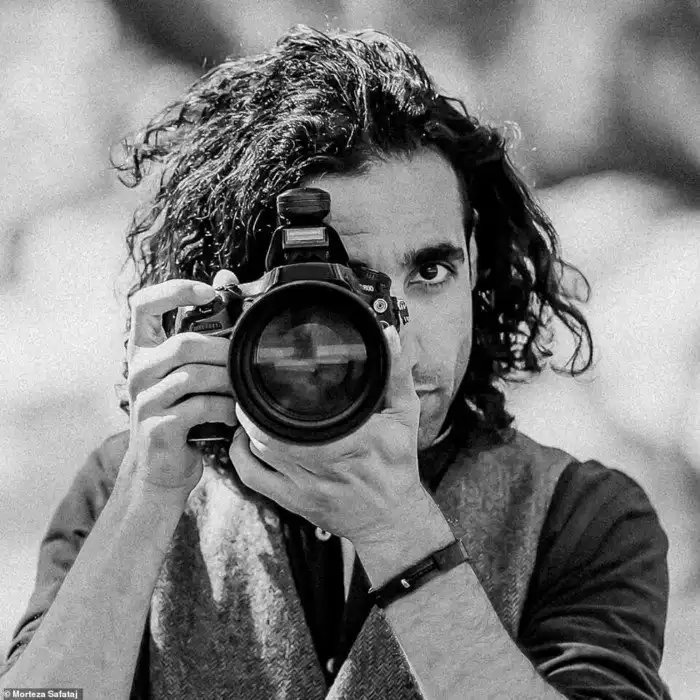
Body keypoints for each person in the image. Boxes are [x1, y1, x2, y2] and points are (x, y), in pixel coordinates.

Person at [0, 26, 671, 699]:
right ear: (245, 301)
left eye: (430, 271)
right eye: (346, 294)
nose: (395, 338)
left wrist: (401, 535)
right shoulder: (126, 487)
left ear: (476, 264)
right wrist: (146, 498)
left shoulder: (579, 515)